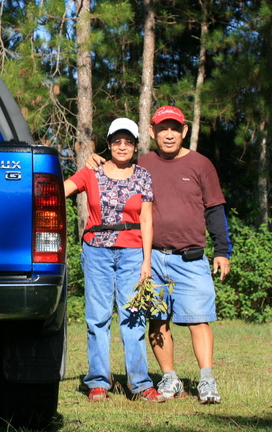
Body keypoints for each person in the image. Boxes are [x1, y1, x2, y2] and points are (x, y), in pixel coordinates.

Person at [87, 106, 231, 404]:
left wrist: (222, 251)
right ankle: (169, 377)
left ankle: (206, 380)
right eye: (162, 128)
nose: (169, 134)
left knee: (199, 319)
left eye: (175, 128)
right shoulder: (142, 163)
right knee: (156, 319)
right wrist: (92, 159)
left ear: (184, 131)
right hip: (150, 256)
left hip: (190, 257)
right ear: (152, 132)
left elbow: (215, 209)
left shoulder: (201, 164)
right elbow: (114, 167)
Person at [65, 118, 164, 403]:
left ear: (135, 145)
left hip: (133, 253)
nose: (123, 146)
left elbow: (146, 220)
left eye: (128, 141)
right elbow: (59, 190)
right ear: (108, 144)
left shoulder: (143, 175)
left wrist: (147, 261)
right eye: (117, 141)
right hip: (96, 251)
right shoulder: (91, 172)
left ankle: (140, 384)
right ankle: (98, 382)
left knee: (133, 316)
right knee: (98, 317)